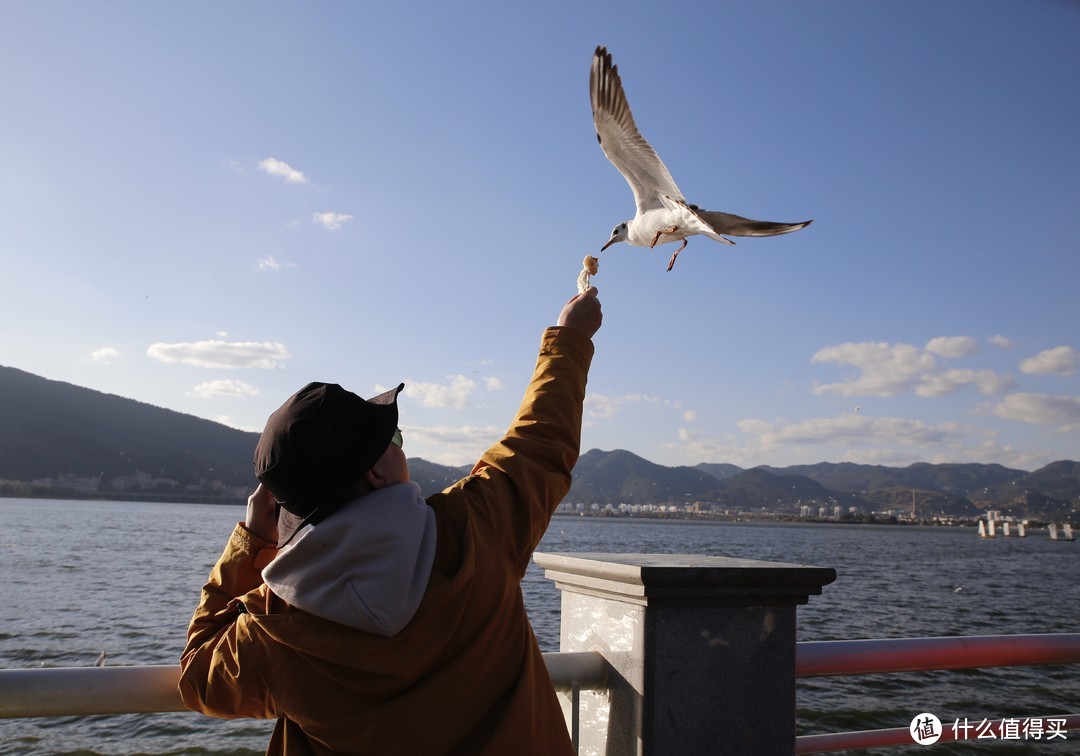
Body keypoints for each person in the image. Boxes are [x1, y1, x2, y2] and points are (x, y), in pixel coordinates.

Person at [179, 287, 602, 755]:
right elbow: (540, 442)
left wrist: (250, 543)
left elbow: (198, 676)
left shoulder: (270, 628)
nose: (402, 447)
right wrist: (568, 339)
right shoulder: (475, 527)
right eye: (395, 438)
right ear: (377, 473)